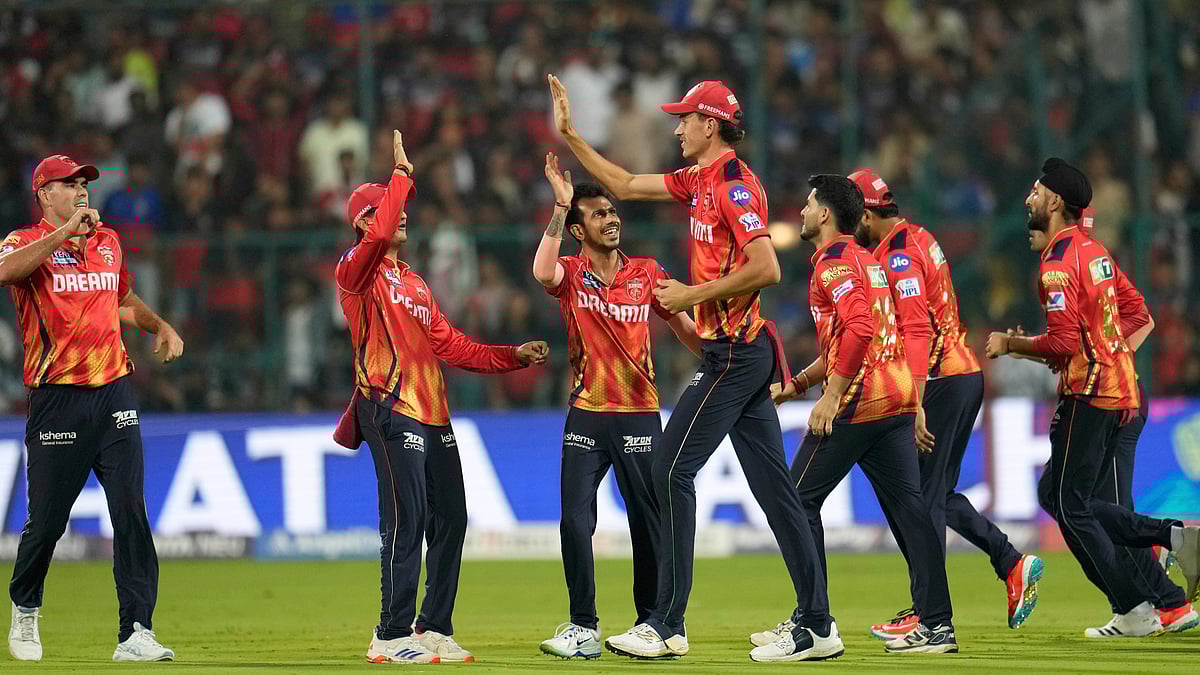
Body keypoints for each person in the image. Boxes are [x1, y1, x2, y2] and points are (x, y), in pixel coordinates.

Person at [549, 75, 840, 662]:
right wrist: (572, 136)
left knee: (670, 469)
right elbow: (626, 183)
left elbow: (767, 269)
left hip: (733, 353)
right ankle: (818, 623)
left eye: (685, 118)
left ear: (710, 125)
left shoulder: (732, 185)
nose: (677, 127)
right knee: (776, 492)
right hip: (738, 351)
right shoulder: (699, 180)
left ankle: (666, 623)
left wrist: (690, 296)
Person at [330, 131, 550, 665]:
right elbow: (381, 232)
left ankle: (431, 628)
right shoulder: (354, 272)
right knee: (406, 520)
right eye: (385, 211)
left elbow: (451, 345)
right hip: (387, 406)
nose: (401, 216)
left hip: (433, 415)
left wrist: (511, 356)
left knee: (452, 516)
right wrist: (402, 175)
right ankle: (390, 633)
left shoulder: (416, 282)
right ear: (364, 222)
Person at [984, 157, 1200, 637]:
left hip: (1092, 395)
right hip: (1115, 390)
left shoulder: (1059, 263)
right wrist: (1106, 353)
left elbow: (1064, 344)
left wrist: (1011, 343)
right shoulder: (1094, 252)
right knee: (1061, 497)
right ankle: (1160, 571)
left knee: (1072, 503)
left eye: (1036, 192)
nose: (1029, 199)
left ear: (1056, 202)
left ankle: (1147, 596)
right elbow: (1138, 314)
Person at [3, 154, 184, 662]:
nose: (82, 190)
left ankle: (136, 632)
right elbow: (4, 273)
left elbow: (121, 301)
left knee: (130, 510)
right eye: (69, 184)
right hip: (57, 398)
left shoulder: (108, 242)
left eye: (85, 184)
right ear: (44, 195)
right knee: (47, 523)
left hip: (113, 394)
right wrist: (63, 236)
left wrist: (161, 326)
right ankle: (25, 608)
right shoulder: (25, 242)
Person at [848, 168, 1043, 637]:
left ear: (866, 213)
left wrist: (913, 401)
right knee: (931, 494)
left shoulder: (896, 256)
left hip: (941, 381)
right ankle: (1007, 562)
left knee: (921, 499)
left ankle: (929, 612)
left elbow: (916, 329)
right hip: (954, 376)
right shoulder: (916, 236)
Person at [767, 174, 957, 655]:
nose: (804, 210)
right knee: (911, 510)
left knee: (796, 501)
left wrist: (830, 396)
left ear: (826, 214)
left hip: (860, 399)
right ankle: (937, 626)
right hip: (894, 398)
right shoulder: (868, 262)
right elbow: (856, 335)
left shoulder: (831, 263)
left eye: (810, 203)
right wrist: (799, 385)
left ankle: (813, 625)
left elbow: (857, 328)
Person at [533, 153, 701, 659]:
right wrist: (560, 209)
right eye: (599, 214)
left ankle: (656, 623)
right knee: (574, 520)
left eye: (612, 211)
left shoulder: (648, 273)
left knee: (648, 523)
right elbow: (542, 271)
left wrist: (724, 364)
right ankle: (582, 625)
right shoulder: (570, 272)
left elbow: (685, 330)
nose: (611, 219)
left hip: (638, 414)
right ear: (579, 230)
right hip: (585, 413)